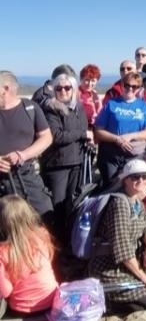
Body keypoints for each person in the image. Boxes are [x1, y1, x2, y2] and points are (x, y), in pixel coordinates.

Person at [88, 159, 146, 312]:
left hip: (132, 259)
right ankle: (110, 300)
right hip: (111, 268)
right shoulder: (119, 204)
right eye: (135, 177)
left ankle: (136, 278)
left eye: (144, 177)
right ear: (125, 180)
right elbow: (123, 252)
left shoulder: (136, 201)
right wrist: (144, 278)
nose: (141, 180)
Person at [41, 73, 89, 242]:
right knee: (58, 206)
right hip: (57, 165)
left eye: (67, 87)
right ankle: (57, 244)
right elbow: (58, 136)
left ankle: (69, 242)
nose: (63, 91)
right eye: (58, 88)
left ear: (74, 89)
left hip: (76, 162)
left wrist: (85, 137)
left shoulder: (78, 108)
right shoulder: (51, 109)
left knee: (72, 204)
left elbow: (82, 128)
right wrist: (83, 134)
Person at [0, 72, 53, 217]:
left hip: (26, 177)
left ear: (6, 88)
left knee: (44, 217)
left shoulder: (30, 108)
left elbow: (46, 137)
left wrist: (22, 155)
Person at [0, 196, 58, 318]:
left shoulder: (3, 251)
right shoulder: (43, 234)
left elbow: (6, 291)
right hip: (51, 300)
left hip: (21, 309)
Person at [94, 71, 146, 185]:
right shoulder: (111, 104)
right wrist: (117, 139)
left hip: (135, 156)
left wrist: (130, 136)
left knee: (132, 187)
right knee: (111, 187)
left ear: (138, 88)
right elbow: (98, 131)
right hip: (111, 156)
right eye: (127, 85)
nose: (130, 89)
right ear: (122, 85)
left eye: (134, 86)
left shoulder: (144, 106)